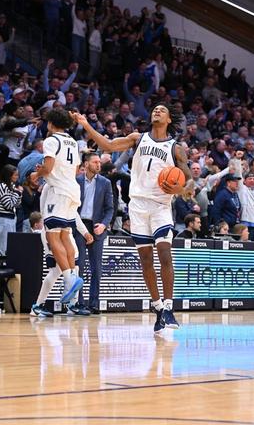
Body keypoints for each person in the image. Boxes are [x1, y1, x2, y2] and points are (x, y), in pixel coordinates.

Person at [73, 104, 191, 332]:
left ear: (169, 119)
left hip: (160, 206)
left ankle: (169, 307)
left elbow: (187, 179)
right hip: (137, 205)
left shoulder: (175, 148)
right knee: (146, 259)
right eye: (155, 109)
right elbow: (107, 145)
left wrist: (181, 189)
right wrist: (85, 124)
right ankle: (157, 308)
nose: (157, 111)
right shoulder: (138, 138)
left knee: (164, 253)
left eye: (162, 110)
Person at [35, 108, 84, 306]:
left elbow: (48, 167)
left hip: (59, 191)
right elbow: (76, 168)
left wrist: (36, 174)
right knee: (65, 234)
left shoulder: (51, 140)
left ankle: (68, 278)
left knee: (52, 236)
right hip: (73, 190)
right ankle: (71, 275)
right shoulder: (72, 141)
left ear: (51, 123)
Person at [75, 152, 114, 315]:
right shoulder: (76, 181)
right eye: (95, 162)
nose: (99, 165)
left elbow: (110, 208)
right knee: (80, 266)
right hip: (79, 225)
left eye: (100, 162)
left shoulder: (105, 183)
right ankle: (79, 302)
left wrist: (104, 225)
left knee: (96, 267)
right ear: (85, 164)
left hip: (97, 226)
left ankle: (94, 303)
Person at [0, 164, 23, 255]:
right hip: (4, 220)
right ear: (8, 175)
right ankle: (0, 267)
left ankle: (7, 265)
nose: (17, 177)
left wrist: (18, 194)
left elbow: (17, 204)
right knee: (2, 247)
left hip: (12, 219)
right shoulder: (2, 186)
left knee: (10, 247)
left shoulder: (12, 186)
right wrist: (17, 193)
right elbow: (8, 205)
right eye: (15, 175)